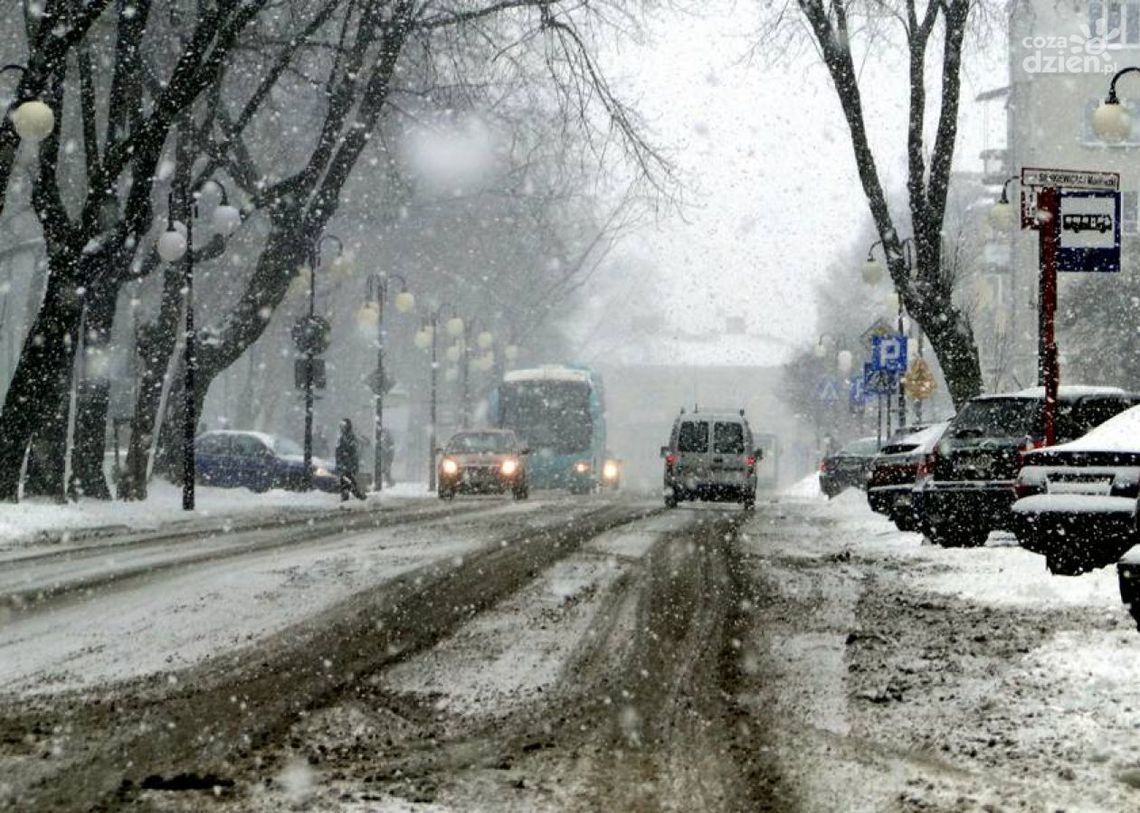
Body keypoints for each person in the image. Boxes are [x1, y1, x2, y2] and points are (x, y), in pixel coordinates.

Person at [335, 418, 366, 501]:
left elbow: (353, 451)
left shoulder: (351, 437)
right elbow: (338, 451)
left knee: (348, 481)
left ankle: (357, 496)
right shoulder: (342, 437)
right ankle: (354, 496)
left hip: (349, 465)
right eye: (341, 426)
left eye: (343, 426)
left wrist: (347, 459)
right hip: (345, 464)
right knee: (346, 481)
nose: (341, 428)